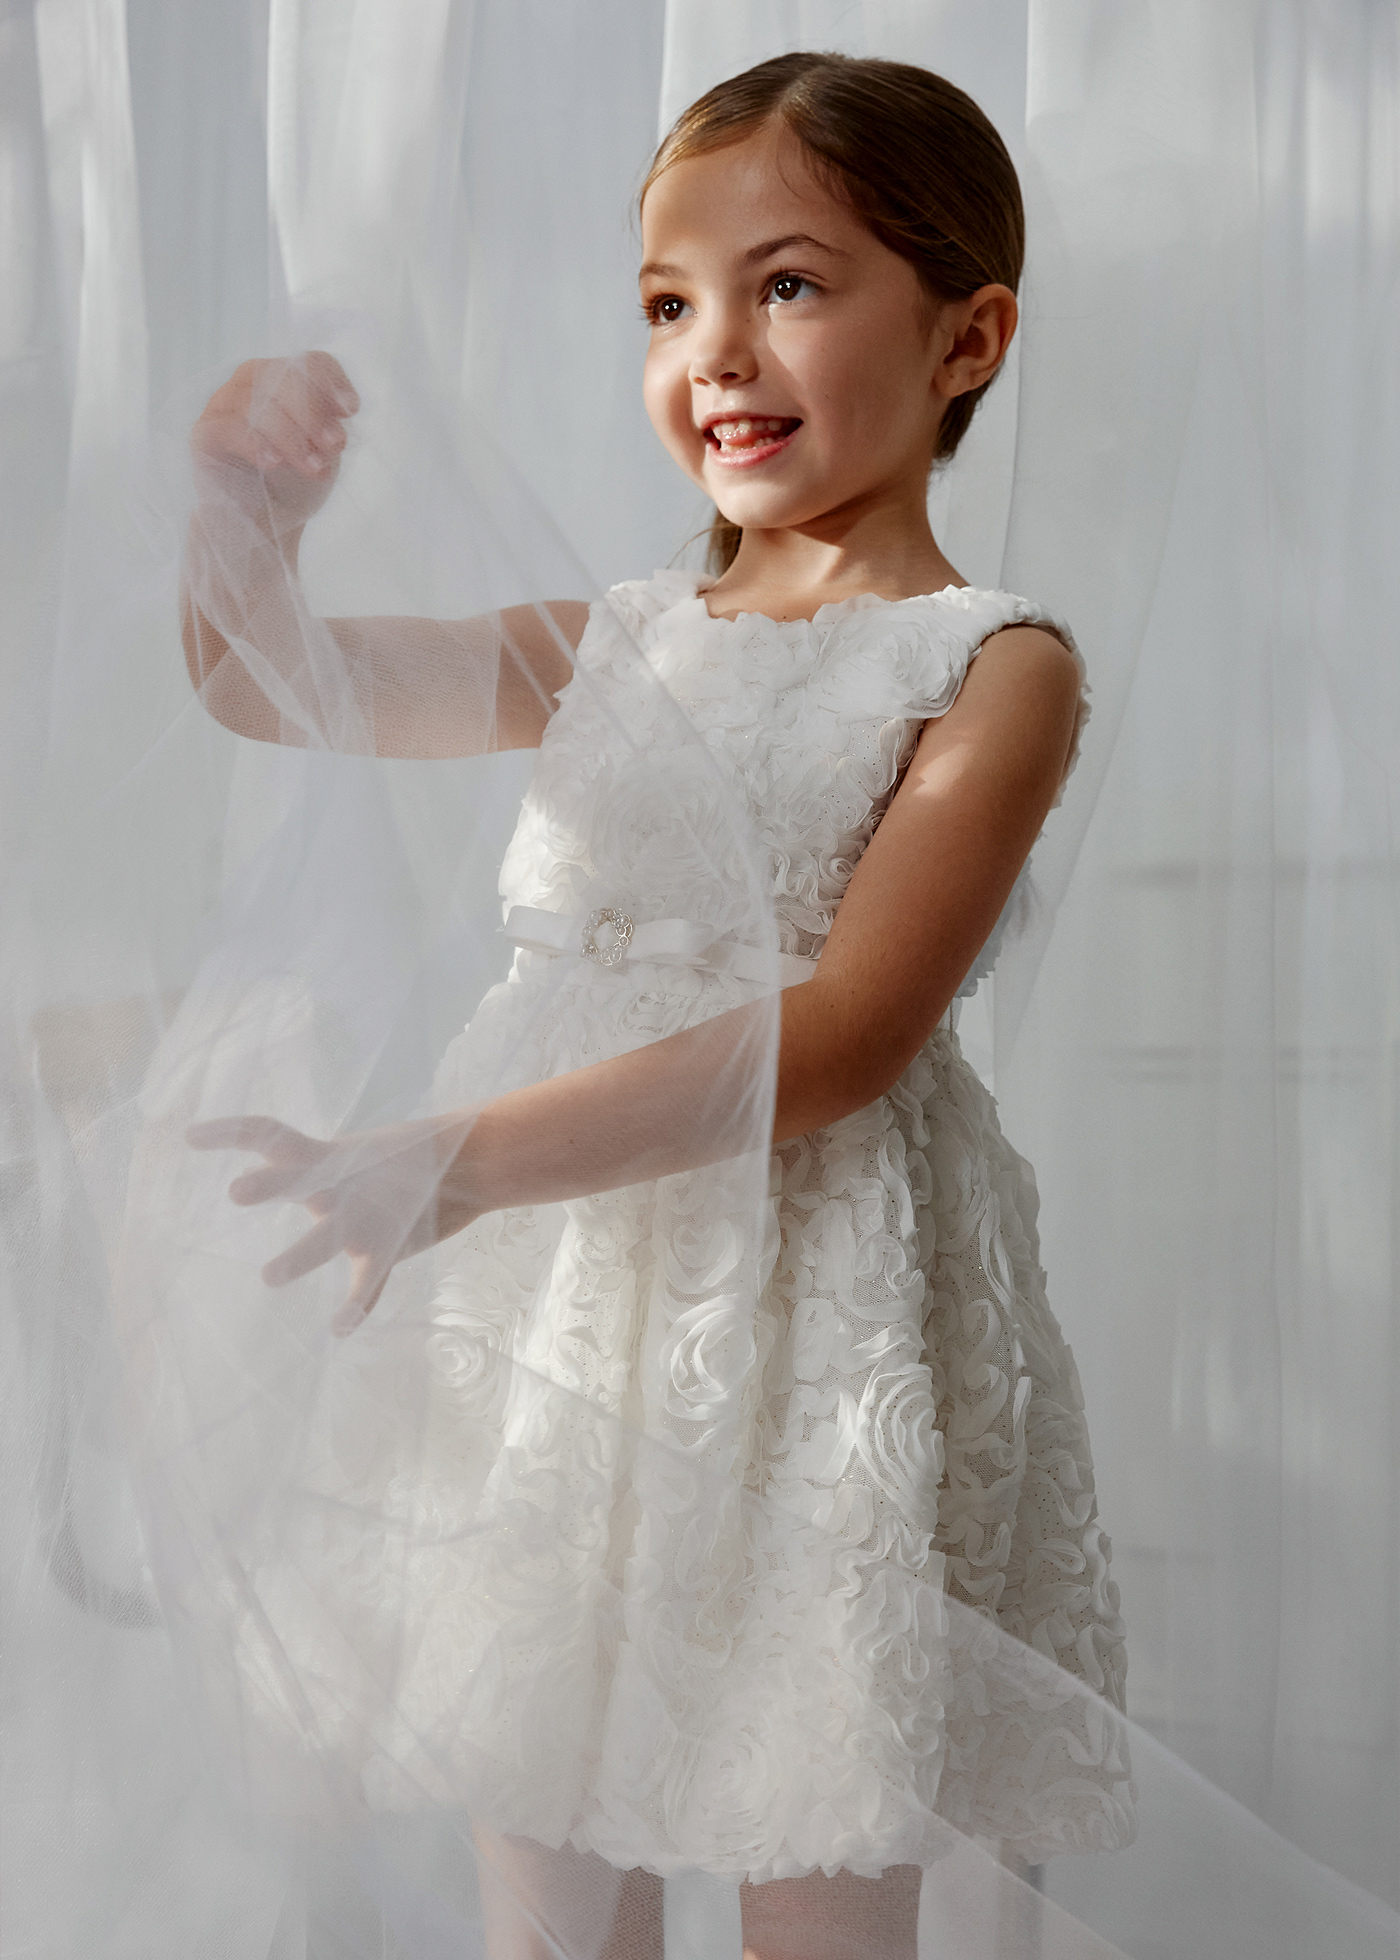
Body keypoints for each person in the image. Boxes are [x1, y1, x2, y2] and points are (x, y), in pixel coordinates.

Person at [181, 51, 1132, 1960]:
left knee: (815, 1842)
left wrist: (452, 1158)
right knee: (545, 1866)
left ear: (968, 336)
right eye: (668, 305)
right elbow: (263, 681)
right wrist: (243, 510)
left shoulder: (990, 666)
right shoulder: (610, 642)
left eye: (787, 285)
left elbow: (843, 1037)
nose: (717, 354)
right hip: (557, 1311)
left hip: (810, 1307)